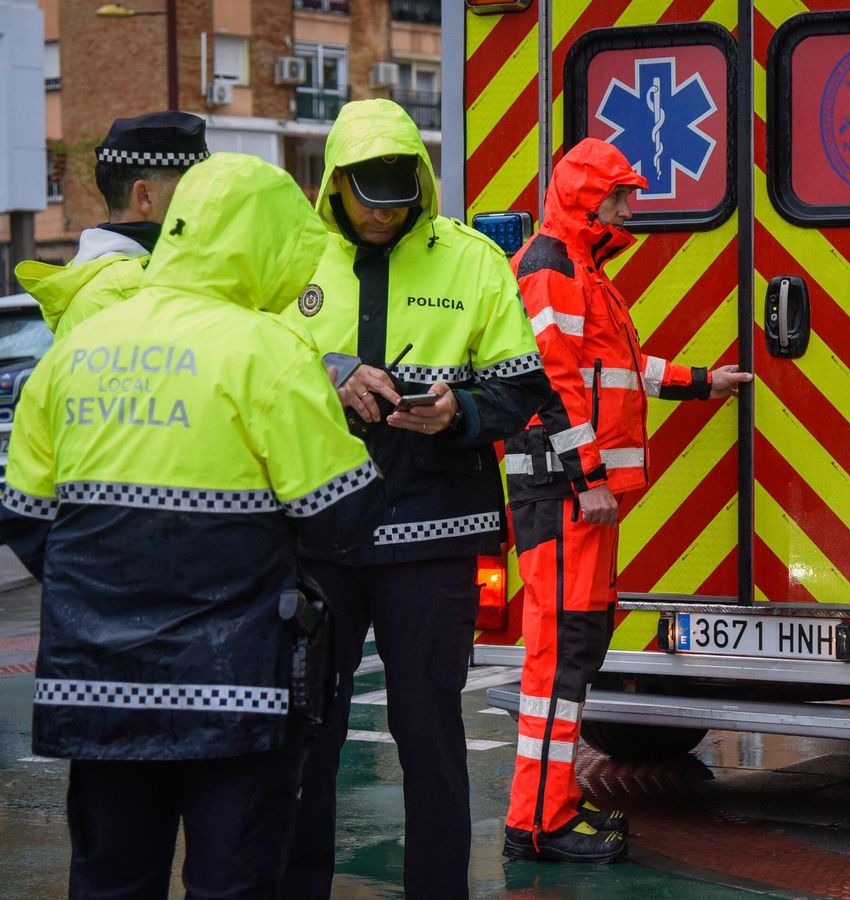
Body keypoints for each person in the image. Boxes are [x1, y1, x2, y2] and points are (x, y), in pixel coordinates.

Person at [0, 152, 377, 899]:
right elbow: (343, 516)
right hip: (236, 688)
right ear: (267, 243)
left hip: (96, 688)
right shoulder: (268, 352)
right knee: (233, 882)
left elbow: (25, 516)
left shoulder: (77, 348)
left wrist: (106, 591)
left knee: (110, 880)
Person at [278, 99, 548, 900]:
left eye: (398, 197)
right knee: (308, 736)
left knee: (429, 737)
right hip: (318, 534)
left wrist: (456, 413)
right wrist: (331, 370)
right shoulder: (290, 260)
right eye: (368, 196)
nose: (383, 212)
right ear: (334, 185)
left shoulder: (469, 260)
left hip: (433, 534)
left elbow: (521, 384)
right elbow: (249, 365)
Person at [501, 137, 751, 864]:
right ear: (591, 199)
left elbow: (614, 368)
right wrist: (589, 478)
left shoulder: (580, 272)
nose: (632, 207)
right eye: (622, 195)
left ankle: (552, 809)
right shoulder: (550, 272)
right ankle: (539, 823)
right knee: (558, 658)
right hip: (564, 497)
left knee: (572, 654)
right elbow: (556, 383)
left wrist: (700, 381)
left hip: (575, 499)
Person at [14, 111, 209, 337]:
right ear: (145, 196)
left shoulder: (90, 275)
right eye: (188, 187)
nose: (201, 198)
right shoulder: (136, 288)